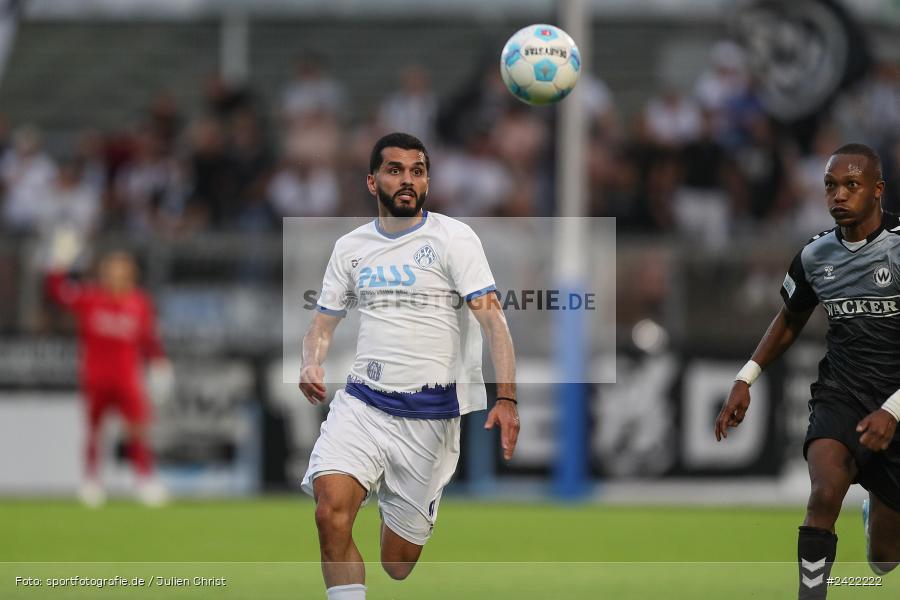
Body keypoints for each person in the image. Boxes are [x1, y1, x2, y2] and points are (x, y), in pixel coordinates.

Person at [298, 132, 519, 600]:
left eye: (417, 171)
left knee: (397, 564)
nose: (406, 180)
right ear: (372, 181)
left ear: (427, 182)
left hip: (430, 417)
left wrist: (506, 396)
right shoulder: (350, 248)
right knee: (329, 511)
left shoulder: (453, 238)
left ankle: (401, 504)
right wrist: (310, 362)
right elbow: (321, 326)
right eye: (395, 170)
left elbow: (494, 323)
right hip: (362, 404)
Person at [715, 143, 900, 599]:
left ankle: (878, 502)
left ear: (878, 190)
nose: (839, 195)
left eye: (851, 185)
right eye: (831, 186)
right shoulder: (815, 256)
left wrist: (893, 410)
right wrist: (746, 377)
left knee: (885, 558)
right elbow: (790, 318)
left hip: (898, 400)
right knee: (822, 495)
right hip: (841, 394)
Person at [46, 251, 171, 507]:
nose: (116, 275)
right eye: (111, 270)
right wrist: (58, 264)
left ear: (130, 273)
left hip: (127, 379)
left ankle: (144, 480)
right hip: (95, 377)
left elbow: (149, 337)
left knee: (138, 430)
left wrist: (159, 362)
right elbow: (58, 292)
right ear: (104, 273)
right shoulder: (90, 299)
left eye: (121, 270)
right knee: (94, 431)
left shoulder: (139, 303)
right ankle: (91, 481)